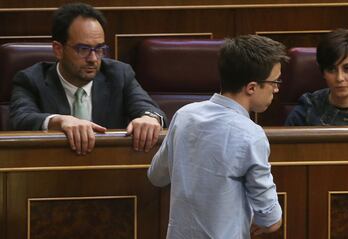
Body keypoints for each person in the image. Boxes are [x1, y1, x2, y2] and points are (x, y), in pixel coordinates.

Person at [148, 35, 288, 238]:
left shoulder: (184, 115)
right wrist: (272, 220)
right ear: (251, 87)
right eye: (274, 82)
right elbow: (270, 219)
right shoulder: (251, 134)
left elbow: (156, 176)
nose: (276, 89)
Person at [9, 3, 167, 155]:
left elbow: (149, 108)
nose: (93, 58)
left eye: (99, 49)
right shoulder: (31, 79)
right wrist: (59, 121)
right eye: (83, 49)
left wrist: (150, 118)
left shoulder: (119, 74)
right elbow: (20, 119)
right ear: (58, 50)